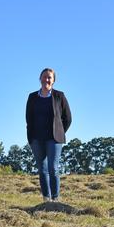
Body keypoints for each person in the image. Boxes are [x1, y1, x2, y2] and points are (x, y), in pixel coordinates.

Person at [25, 68, 72, 202]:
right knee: (42, 169)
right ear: (40, 78)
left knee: (53, 168)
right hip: (37, 138)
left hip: (54, 139)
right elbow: (28, 118)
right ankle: (46, 199)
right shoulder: (32, 97)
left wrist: (60, 132)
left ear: (53, 80)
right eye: (44, 77)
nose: (47, 79)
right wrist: (31, 137)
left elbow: (67, 118)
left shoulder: (59, 96)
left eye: (49, 77)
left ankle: (55, 199)